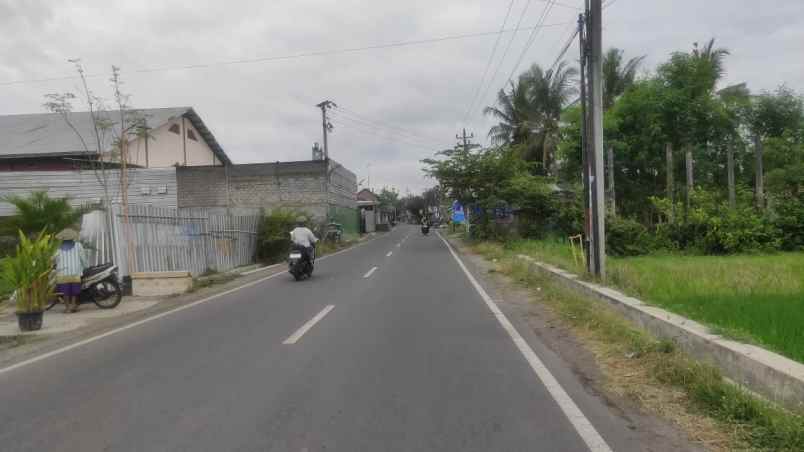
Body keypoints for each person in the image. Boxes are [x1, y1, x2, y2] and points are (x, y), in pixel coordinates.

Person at [54, 228, 87, 313]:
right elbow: (83, 258)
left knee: (65, 292)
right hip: (75, 271)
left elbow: (54, 259)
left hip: (62, 273)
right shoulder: (78, 245)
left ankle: (67, 308)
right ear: (73, 237)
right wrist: (85, 266)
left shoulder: (57, 248)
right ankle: (73, 306)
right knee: (74, 291)